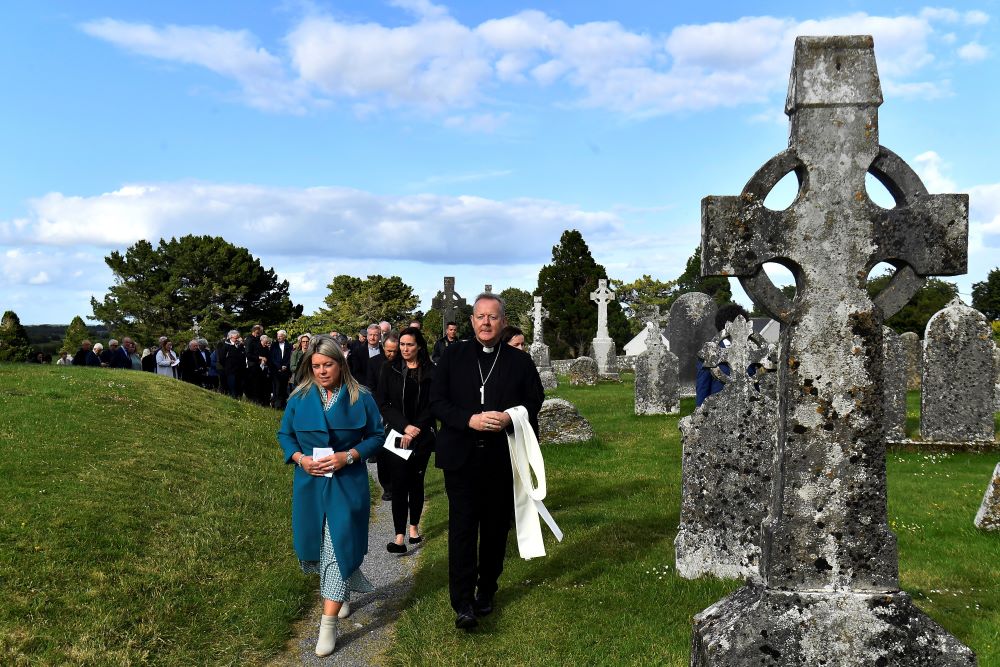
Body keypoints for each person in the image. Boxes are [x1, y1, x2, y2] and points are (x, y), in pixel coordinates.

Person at [430, 293, 544, 630]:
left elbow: (534, 400)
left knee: (495, 530)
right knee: (462, 530)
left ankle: (486, 590)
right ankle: (462, 601)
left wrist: (510, 418)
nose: (485, 322)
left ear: (503, 322)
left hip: (501, 458)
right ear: (471, 321)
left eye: (492, 317)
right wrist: (469, 420)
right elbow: (437, 402)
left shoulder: (520, 362)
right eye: (480, 316)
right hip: (461, 458)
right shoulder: (453, 355)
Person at [277, 335, 384, 657]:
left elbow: (376, 435)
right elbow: (286, 435)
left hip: (347, 483)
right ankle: (344, 593)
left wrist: (349, 455)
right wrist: (300, 459)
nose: (322, 371)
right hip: (309, 484)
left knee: (337, 544)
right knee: (319, 546)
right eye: (316, 366)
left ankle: (327, 624)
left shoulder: (361, 397)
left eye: (328, 365)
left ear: (341, 364)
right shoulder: (298, 398)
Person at [375, 327, 435, 553]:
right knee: (399, 484)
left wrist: (415, 429)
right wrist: (404, 427)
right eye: (402, 344)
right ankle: (399, 536)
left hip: (422, 437)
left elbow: (433, 404)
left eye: (409, 344)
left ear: (419, 345)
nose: (405, 349)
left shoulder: (431, 370)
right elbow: (383, 402)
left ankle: (413, 528)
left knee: (415, 483)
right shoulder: (389, 368)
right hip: (397, 436)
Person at [695, 303, 752, 407]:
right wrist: (700, 414)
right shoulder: (711, 353)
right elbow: (703, 387)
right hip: (720, 410)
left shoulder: (752, 351)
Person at [367, 334, 398, 501]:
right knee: (382, 450)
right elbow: (370, 386)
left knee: (397, 450)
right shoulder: (374, 362)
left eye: (394, 351)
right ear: (383, 348)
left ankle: (399, 484)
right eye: (388, 351)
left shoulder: (402, 362)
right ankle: (387, 486)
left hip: (398, 411)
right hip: (379, 410)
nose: (391, 354)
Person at [218, 330, 246, 399]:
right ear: (231, 337)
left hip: (240, 371)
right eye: (235, 338)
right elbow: (222, 358)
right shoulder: (226, 346)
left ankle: (239, 399)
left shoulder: (240, 346)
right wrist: (228, 365)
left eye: (237, 338)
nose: (237, 339)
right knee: (232, 386)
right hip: (230, 370)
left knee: (239, 387)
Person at [271, 330, 294, 409]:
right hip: (276, 370)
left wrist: (286, 366)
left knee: (284, 388)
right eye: (278, 336)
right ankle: (276, 405)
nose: (278, 337)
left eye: (280, 336)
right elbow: (272, 357)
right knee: (276, 388)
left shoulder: (289, 345)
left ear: (284, 336)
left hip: (285, 371)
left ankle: (283, 405)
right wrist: (279, 367)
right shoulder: (274, 345)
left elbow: (290, 357)